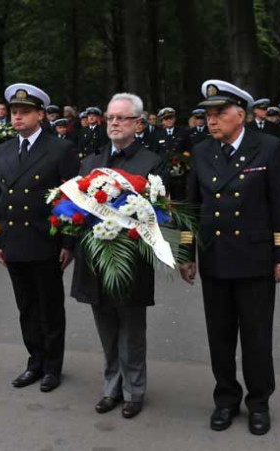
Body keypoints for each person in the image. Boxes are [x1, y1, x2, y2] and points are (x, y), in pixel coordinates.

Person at [179, 80, 280, 436]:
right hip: (215, 258)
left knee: (257, 336)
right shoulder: (200, 151)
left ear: (240, 115)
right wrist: (187, 253)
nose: (212, 121)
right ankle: (226, 399)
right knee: (220, 335)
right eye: (208, 115)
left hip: (255, 258)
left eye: (220, 113)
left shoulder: (269, 148)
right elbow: (191, 206)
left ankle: (259, 402)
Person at [71, 92, 166, 419]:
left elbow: (160, 212)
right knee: (106, 329)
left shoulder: (151, 163)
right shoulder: (89, 162)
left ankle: (134, 391)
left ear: (138, 123)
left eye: (121, 118)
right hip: (95, 260)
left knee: (131, 330)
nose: (113, 123)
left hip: (130, 261)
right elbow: (75, 210)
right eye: (111, 117)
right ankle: (111, 387)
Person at [0, 83, 79, 393]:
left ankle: (53, 366)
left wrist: (68, 243)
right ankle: (35, 360)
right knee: (26, 306)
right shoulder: (2, 150)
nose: (17, 117)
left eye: (24, 112)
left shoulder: (60, 149)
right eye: (14, 112)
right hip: (14, 240)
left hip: (45, 240)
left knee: (49, 306)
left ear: (40, 115)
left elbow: (70, 199)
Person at [155, 107, 192, 200]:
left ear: (174, 119)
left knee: (180, 196)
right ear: (162, 121)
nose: (168, 121)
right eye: (166, 119)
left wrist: (184, 162)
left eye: (170, 118)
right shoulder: (157, 134)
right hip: (164, 171)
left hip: (179, 172)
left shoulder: (183, 133)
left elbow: (189, 149)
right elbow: (155, 152)